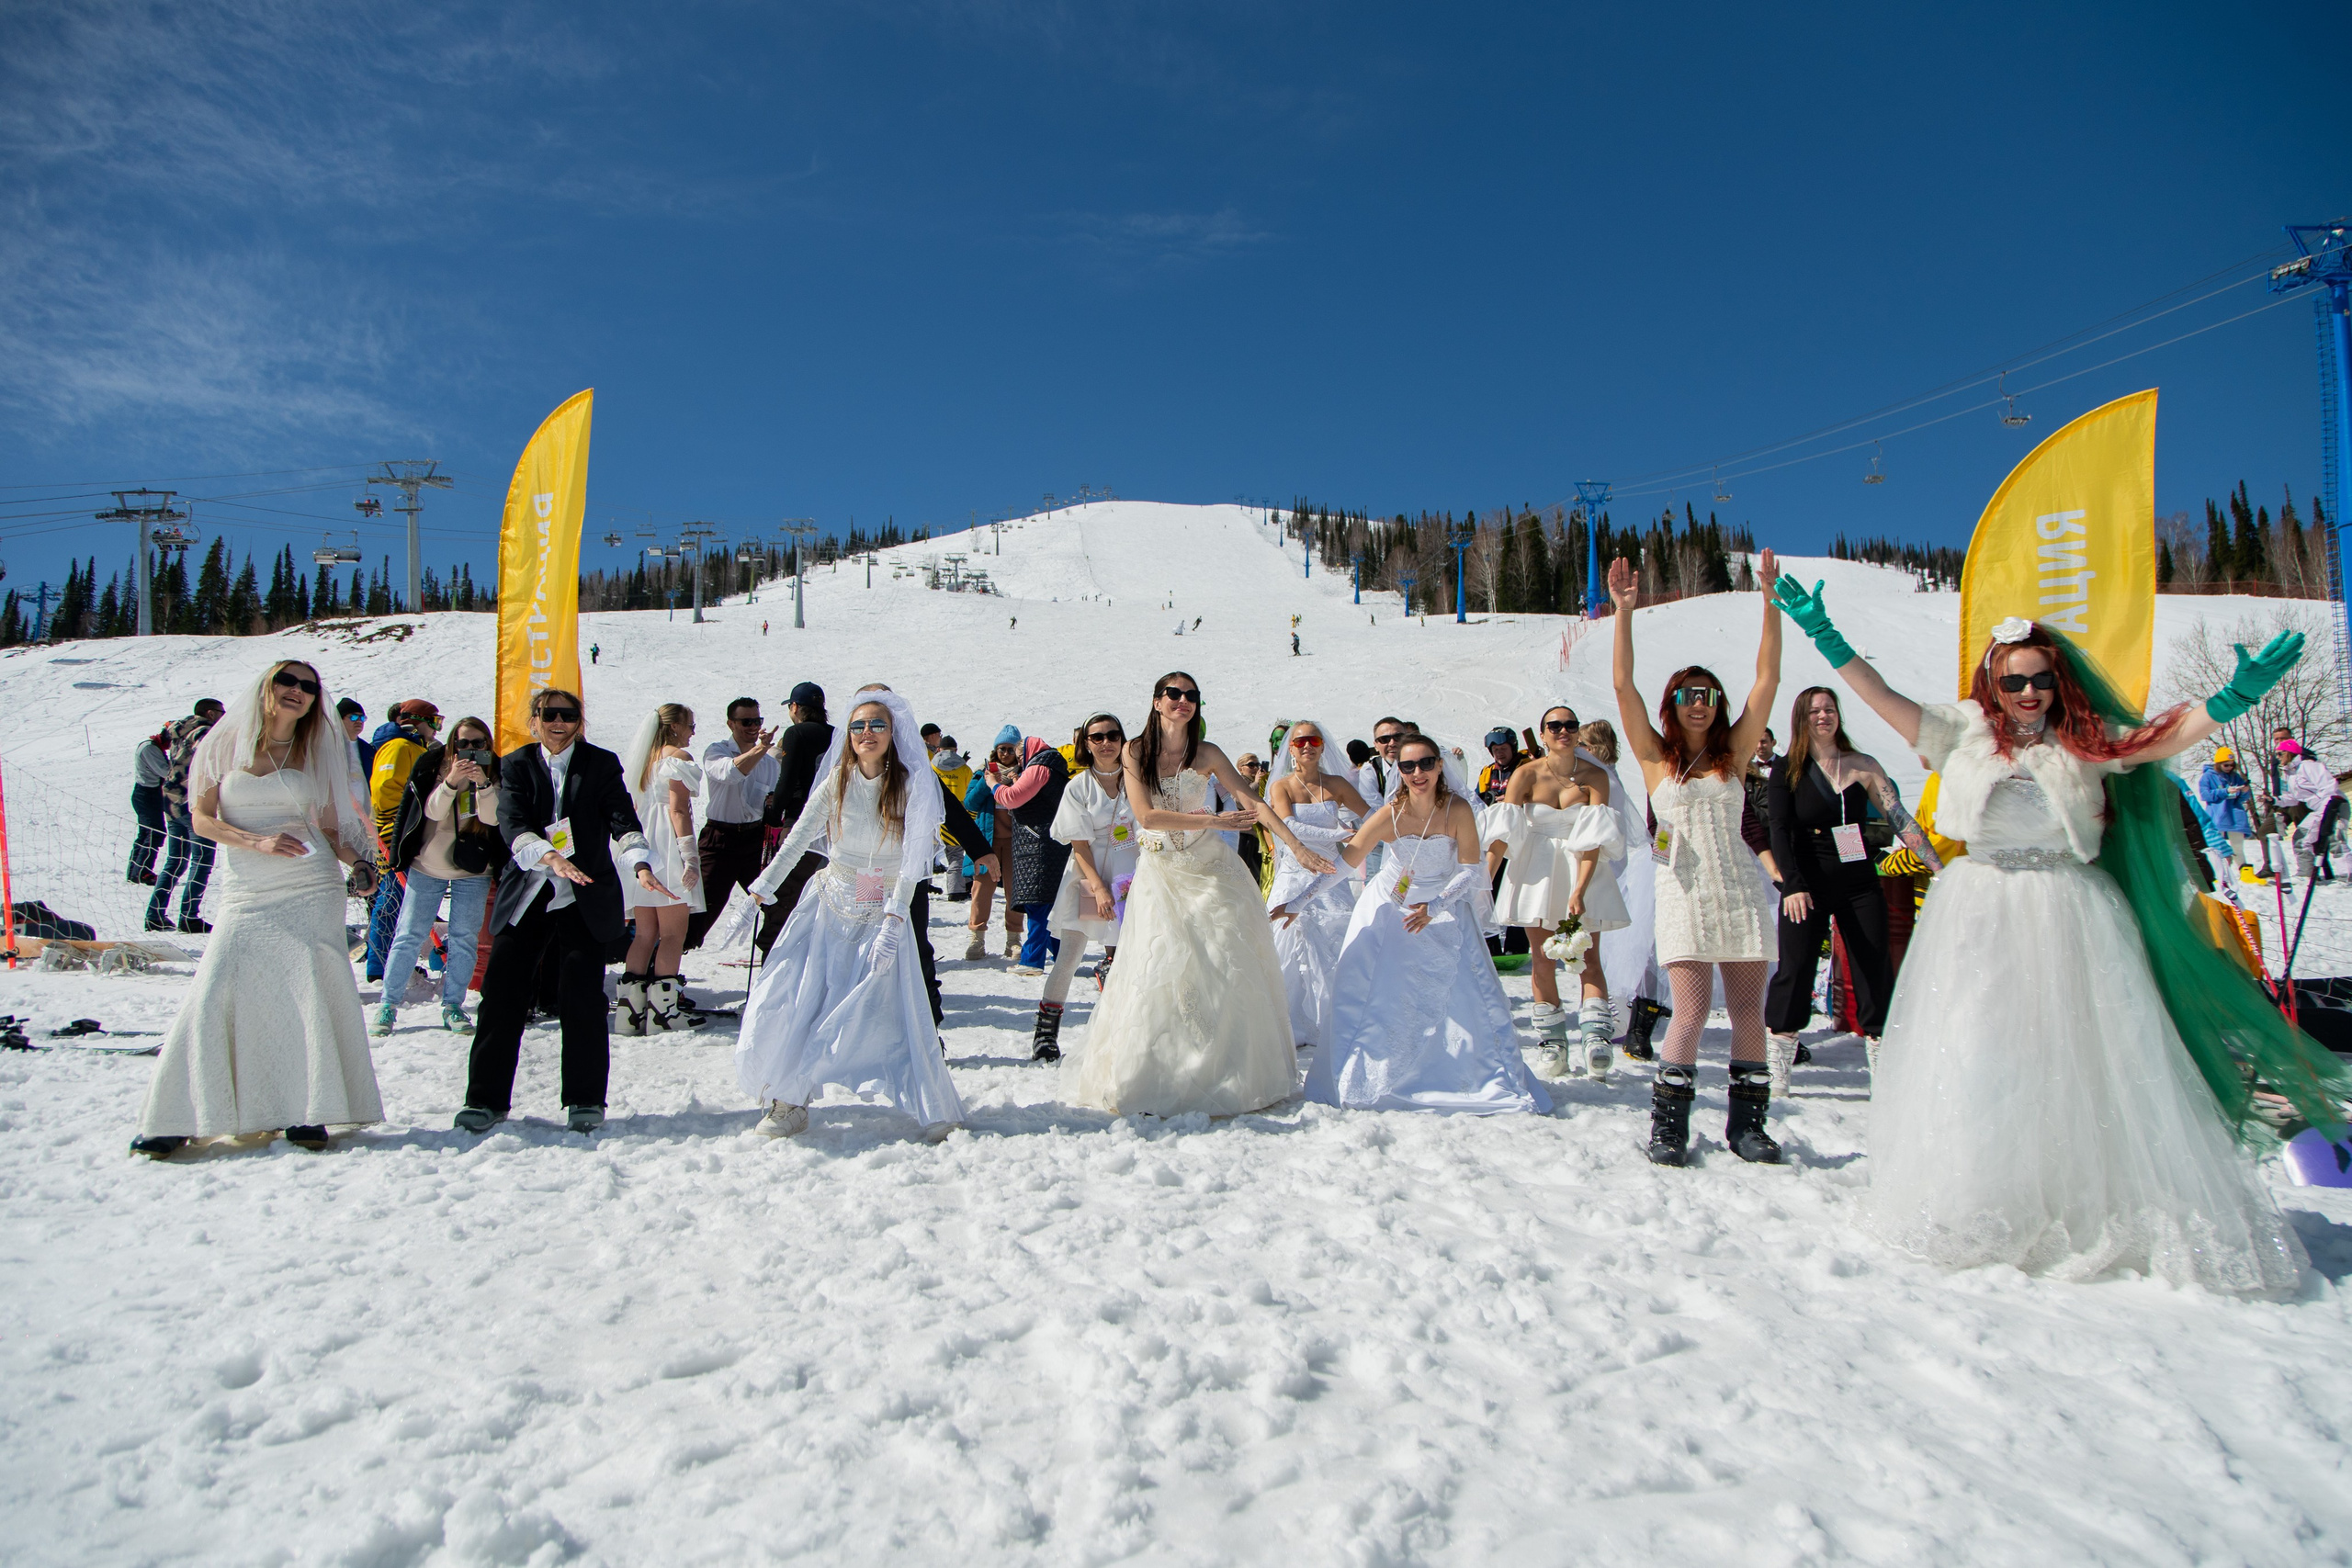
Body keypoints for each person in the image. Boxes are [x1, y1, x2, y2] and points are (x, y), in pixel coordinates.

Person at [1777, 581, 2339, 1291]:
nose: (2029, 692)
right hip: (1979, 909)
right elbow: (1884, 697)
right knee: (1983, 1049)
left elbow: (2160, 736)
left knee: (2083, 1052)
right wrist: (1825, 635)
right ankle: (1989, 1192)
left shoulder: (2085, 742)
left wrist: (2229, 700)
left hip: (2069, 908)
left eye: (2041, 679)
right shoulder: (1960, 732)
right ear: (1994, 682)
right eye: (2014, 680)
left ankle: (2087, 1194)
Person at [130, 661, 383, 1157]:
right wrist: (255, 841)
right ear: (266, 688)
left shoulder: (318, 752)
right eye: (287, 682)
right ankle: (177, 1115)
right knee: (217, 986)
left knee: (307, 991)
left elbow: (330, 827)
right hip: (249, 887)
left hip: (311, 885)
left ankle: (309, 1110)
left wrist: (357, 865)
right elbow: (201, 819)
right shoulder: (221, 745)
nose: (297, 692)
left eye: (309, 687)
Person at [1065, 671, 1333, 1118]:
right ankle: (1158, 1072)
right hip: (1162, 872)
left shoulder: (1207, 753)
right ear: (1156, 702)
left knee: (1225, 960)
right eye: (1174, 694)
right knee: (1161, 967)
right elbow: (1147, 816)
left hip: (1211, 870)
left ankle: (1225, 1072)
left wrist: (1296, 845)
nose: (1182, 701)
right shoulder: (1135, 752)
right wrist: (1213, 821)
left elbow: (1253, 800)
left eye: (1191, 696)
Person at [1609, 550, 1786, 1167]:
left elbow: (1767, 681)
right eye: (1688, 694)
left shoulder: (1732, 754)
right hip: (1683, 893)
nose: (1700, 702)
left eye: (1709, 694)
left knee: (1746, 1012)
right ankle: (1668, 1126)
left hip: (1737, 889)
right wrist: (1624, 614)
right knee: (1689, 1011)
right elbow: (1622, 687)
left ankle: (1748, 1124)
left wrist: (1770, 600)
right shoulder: (1655, 758)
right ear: (1673, 701)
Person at [734, 687, 964, 1142]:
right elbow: (798, 838)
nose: (867, 733)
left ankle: (933, 1101)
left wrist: (896, 919)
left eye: (877, 725)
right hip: (830, 903)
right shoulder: (837, 777)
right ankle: (789, 1100)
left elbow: (912, 856)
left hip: (883, 908)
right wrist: (761, 890)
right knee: (801, 996)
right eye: (858, 726)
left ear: (893, 733)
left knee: (898, 1005)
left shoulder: (912, 782)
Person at [1306, 734, 1553, 1115]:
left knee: (1462, 1002)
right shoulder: (1390, 813)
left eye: (1425, 764)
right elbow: (1346, 861)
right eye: (1407, 766)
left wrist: (1435, 906)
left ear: (1440, 765)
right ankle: (1375, 1078)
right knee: (1382, 996)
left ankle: (1466, 1079)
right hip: (1392, 911)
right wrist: (1299, 901)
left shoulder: (1457, 810)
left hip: (1445, 909)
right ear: (1399, 771)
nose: (1417, 773)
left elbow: (1472, 870)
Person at [458, 688, 666, 1136]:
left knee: (583, 1000)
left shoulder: (601, 763)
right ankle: (485, 1100)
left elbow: (623, 820)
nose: (558, 722)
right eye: (549, 714)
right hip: (529, 893)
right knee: (501, 998)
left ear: (579, 721)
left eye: (567, 715)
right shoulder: (515, 764)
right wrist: (549, 857)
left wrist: (641, 865)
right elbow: (512, 822)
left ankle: (585, 1099)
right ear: (534, 720)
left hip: (584, 895)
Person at [1764, 686, 1915, 1094]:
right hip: (1806, 885)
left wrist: (1937, 863)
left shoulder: (1862, 764)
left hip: (1858, 879)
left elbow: (1899, 817)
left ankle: (1882, 1055)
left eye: (1829, 709)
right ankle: (1779, 1055)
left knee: (1873, 962)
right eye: (1814, 711)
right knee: (1795, 969)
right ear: (1801, 718)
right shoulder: (1787, 770)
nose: (1823, 716)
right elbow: (1778, 830)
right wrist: (1791, 884)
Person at [1486, 705, 1633, 1079]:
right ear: (1543, 731)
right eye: (1555, 725)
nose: (1562, 731)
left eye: (1569, 725)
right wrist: (1484, 878)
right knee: (1541, 958)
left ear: (1577, 731)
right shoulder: (1526, 774)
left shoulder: (1595, 777)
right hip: (1535, 870)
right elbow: (1503, 832)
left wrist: (1581, 888)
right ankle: (1552, 1042)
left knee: (1588, 957)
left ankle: (1596, 1037)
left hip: (1581, 866)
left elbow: (1595, 836)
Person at [376, 715, 502, 1034]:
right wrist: (451, 782)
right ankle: (388, 1004)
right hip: (428, 864)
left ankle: (453, 1005)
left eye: (478, 744)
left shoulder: (494, 770)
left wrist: (483, 784)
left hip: (473, 868)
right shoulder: (435, 765)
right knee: (409, 934)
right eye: (463, 743)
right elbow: (430, 811)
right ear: (452, 744)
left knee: (464, 938)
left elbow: (492, 819)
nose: (470, 750)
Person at [1034, 713, 1138, 1060]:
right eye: (1097, 737)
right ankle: (1045, 1033)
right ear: (1086, 744)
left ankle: (1126, 1030)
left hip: (1131, 876)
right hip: (1087, 876)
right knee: (1069, 956)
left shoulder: (1137, 780)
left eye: (1112, 735)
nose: (1105, 742)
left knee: (1128, 955)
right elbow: (1078, 844)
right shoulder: (1078, 787)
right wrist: (1098, 887)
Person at [1263, 720, 1370, 1053]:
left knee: (1334, 946)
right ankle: (1288, 1025)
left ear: (1323, 746)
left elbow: (1371, 815)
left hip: (1329, 876)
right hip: (1294, 876)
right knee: (1285, 950)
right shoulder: (1281, 786)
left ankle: (1333, 1023)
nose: (1307, 746)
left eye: (1313, 740)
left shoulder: (1337, 784)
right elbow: (1288, 825)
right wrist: (1339, 834)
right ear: (1290, 748)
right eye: (1299, 741)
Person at [617, 704, 707, 1033]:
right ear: (675, 727)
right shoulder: (677, 758)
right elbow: (678, 809)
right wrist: (690, 856)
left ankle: (629, 1011)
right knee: (672, 933)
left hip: (643, 845)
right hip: (667, 845)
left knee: (644, 933)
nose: (693, 733)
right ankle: (663, 1013)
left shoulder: (644, 759)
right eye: (690, 725)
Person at [684, 698, 778, 951]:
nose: (752, 727)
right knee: (701, 910)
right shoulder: (717, 751)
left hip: (754, 841)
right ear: (731, 724)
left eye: (756, 721)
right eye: (746, 722)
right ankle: (665, 970)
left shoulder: (770, 764)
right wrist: (761, 749)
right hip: (720, 839)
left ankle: (773, 960)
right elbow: (730, 774)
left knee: (777, 902)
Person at [754, 683, 833, 959]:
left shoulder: (795, 733)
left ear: (795, 707)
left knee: (786, 893)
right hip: (831, 826)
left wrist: (774, 814)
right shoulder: (837, 735)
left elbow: (786, 782)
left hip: (798, 822)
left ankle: (773, 955)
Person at [364, 700, 440, 982]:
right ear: (420, 721)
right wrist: (404, 824)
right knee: (393, 899)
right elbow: (386, 791)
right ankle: (379, 966)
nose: (437, 729)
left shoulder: (415, 747)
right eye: (435, 722)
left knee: (403, 898)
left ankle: (389, 964)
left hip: (410, 833)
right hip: (399, 835)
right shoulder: (398, 747)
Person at [992, 732, 1073, 977]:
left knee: (1038, 905)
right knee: (1048, 906)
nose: (1018, 761)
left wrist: (992, 784)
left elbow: (1012, 798)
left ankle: (1032, 961)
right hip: (1047, 847)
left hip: (1038, 849)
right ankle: (1064, 959)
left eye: (1019, 757)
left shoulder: (1039, 766)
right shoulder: (1051, 765)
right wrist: (1018, 777)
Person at [148, 698, 225, 933]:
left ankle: (154, 914)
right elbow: (212, 758)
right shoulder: (204, 732)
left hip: (171, 801)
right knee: (201, 861)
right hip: (192, 802)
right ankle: (189, 917)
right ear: (211, 714)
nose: (225, 717)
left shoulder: (180, 731)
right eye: (222, 713)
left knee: (176, 860)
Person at [966, 728, 1026, 961]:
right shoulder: (982, 773)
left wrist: (1018, 784)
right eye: (1002, 748)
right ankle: (976, 938)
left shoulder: (1025, 773)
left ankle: (1013, 940)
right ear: (995, 750)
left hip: (1015, 842)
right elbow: (969, 803)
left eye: (1011, 749)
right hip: (986, 842)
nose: (1006, 754)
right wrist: (988, 782)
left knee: (1015, 892)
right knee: (981, 890)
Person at [2275, 736, 2341, 882]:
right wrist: (2275, 800)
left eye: (2280, 753)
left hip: (2332, 806)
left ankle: (2346, 877)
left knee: (2336, 841)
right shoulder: (2289, 773)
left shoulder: (2308, 766)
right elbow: (2292, 798)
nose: (2277, 757)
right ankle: (2307, 874)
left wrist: (2328, 810)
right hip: (2319, 810)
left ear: (2289, 753)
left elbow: (2330, 787)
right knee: (2301, 837)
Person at [2196, 747, 2256, 879]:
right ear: (2218, 764)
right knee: (2216, 847)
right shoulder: (2207, 776)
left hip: (2235, 815)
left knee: (2238, 846)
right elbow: (2205, 795)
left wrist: (2245, 791)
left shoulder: (2236, 777)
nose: (2229, 767)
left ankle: (2245, 872)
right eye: (2226, 765)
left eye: (2232, 765)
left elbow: (2242, 798)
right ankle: (2219, 873)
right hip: (2217, 815)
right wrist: (2226, 791)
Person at [127, 725, 172, 885]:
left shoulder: (153, 745)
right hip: (146, 795)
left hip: (149, 794)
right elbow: (165, 772)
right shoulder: (150, 748)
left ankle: (135, 872)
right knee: (155, 833)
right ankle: (142, 872)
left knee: (146, 833)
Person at [1475, 727, 1527, 805]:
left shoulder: (1526, 767)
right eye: (1496, 749)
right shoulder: (1488, 772)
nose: (1499, 753)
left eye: (1503, 748)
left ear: (1512, 748)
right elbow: (1475, 800)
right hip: (1493, 815)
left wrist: (1511, 799)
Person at [338, 697, 375, 773]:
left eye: (362, 718)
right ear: (339, 719)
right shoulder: (328, 747)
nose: (359, 721)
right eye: (353, 717)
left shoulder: (369, 750)